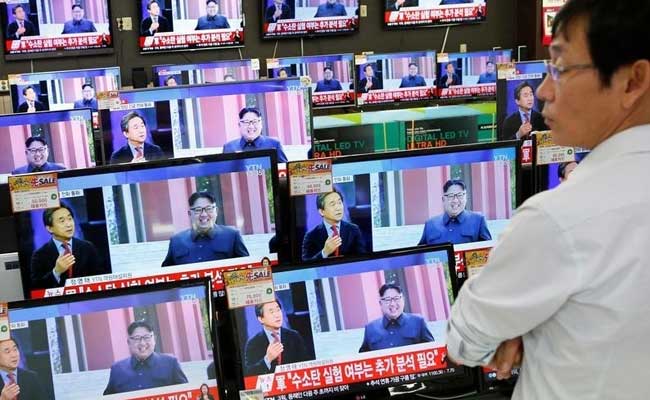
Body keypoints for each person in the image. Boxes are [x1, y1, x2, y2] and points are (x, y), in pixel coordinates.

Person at [446, 1, 650, 399]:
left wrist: (532, 330)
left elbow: (466, 340)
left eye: (560, 68)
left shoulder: (560, 218)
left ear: (632, 80)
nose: (542, 91)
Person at [161, 192, 249, 267]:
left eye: (209, 209)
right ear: (189, 214)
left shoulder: (232, 236)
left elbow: (247, 269)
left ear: (216, 212)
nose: (204, 214)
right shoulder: (176, 241)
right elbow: (166, 275)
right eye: (198, 210)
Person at [30, 205, 105, 290]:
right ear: (50, 228)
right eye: (62, 221)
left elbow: (100, 278)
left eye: (70, 219)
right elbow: (36, 288)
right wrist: (56, 271)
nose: (69, 224)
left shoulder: (88, 248)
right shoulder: (39, 255)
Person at [103, 321, 188, 395]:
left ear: (154, 339)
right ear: (129, 342)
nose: (142, 343)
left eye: (147, 337)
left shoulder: (171, 363)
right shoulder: (117, 369)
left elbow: (187, 394)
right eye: (137, 338)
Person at [359, 283, 434, 352]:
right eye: (388, 300)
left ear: (403, 300)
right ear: (380, 303)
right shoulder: (370, 328)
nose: (393, 304)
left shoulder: (418, 322)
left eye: (396, 298)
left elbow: (433, 352)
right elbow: (362, 359)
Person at [244, 300, 309, 376]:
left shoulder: (294, 336)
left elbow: (306, 364)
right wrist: (267, 359)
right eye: (271, 312)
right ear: (261, 319)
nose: (277, 315)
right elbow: (249, 374)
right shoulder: (253, 343)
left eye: (278, 310)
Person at [418, 179, 491, 245]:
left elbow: (488, 252)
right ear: (443, 199)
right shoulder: (430, 224)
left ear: (466, 198)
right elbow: (420, 254)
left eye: (460, 195)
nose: (455, 200)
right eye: (451, 196)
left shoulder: (478, 220)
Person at [301, 190, 366, 261]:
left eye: (339, 202)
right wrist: (325, 252)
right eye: (332, 204)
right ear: (322, 211)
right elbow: (306, 264)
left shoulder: (353, 230)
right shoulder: (311, 236)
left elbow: (362, 258)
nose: (338, 208)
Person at [222, 107, 288, 163]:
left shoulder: (274, 144)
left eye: (255, 121)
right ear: (239, 125)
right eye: (246, 122)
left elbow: (284, 171)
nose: (251, 126)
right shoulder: (229, 147)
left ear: (261, 124)